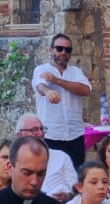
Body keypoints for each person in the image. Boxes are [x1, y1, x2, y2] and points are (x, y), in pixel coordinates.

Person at [31, 33, 92, 168]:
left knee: (76, 177)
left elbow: (86, 90)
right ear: (51, 49)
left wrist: (57, 81)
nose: (63, 52)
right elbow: (40, 85)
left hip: (75, 135)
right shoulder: (42, 69)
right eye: (59, 48)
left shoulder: (75, 72)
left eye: (67, 50)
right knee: (52, 177)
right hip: (51, 135)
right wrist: (48, 92)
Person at [14, 113, 79, 199]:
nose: (40, 133)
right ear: (20, 134)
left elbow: (75, 187)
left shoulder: (61, 157)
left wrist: (67, 195)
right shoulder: (13, 159)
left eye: (42, 129)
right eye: (34, 130)